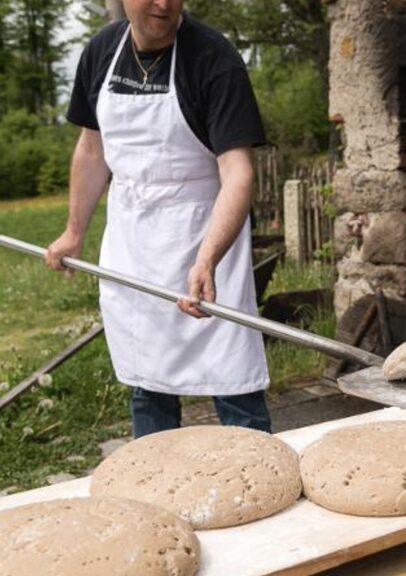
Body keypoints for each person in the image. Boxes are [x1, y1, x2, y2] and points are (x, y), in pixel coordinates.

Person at [45, 0, 272, 437]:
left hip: (203, 232)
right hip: (134, 239)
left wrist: (207, 259)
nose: (163, 4)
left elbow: (239, 173)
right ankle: (151, 490)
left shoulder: (212, 58)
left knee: (231, 374)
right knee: (148, 378)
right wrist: (74, 232)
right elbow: (92, 150)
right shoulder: (101, 51)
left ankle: (260, 477)